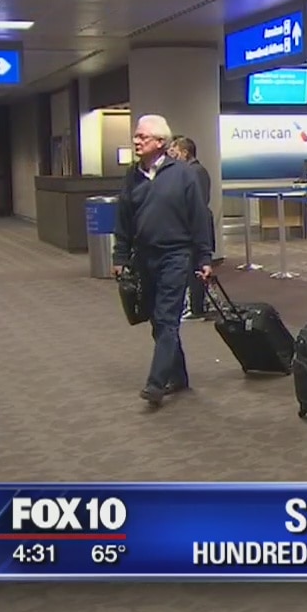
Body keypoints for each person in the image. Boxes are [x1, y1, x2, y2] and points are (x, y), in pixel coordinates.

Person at [111, 115, 213, 408]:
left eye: (143, 137)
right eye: (136, 137)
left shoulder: (183, 175)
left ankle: (156, 384)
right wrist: (120, 255)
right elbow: (124, 219)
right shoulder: (133, 176)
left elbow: (199, 218)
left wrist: (203, 257)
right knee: (157, 320)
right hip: (144, 256)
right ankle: (178, 375)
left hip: (176, 256)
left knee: (168, 318)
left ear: (160, 142)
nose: (136, 141)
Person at [168, 136, 214, 321]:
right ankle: (193, 305)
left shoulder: (197, 172)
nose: (172, 154)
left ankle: (197, 307)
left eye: (175, 150)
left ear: (185, 152)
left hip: (196, 227)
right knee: (190, 267)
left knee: (196, 266)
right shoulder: (186, 171)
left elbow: (198, 203)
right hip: (187, 226)